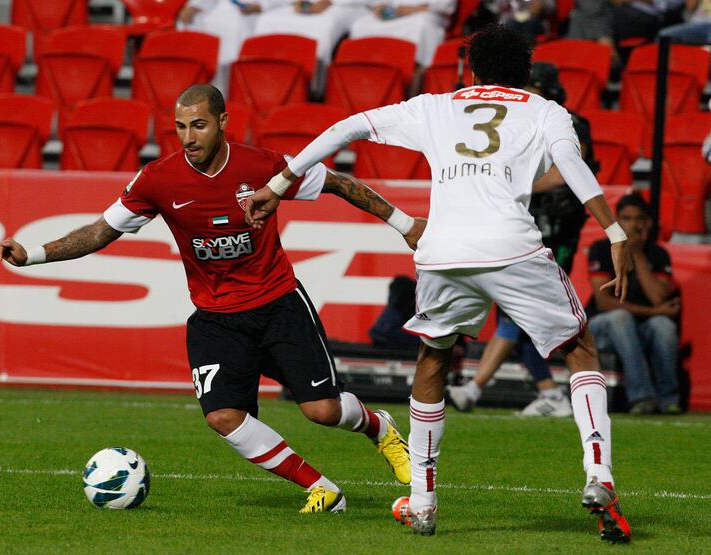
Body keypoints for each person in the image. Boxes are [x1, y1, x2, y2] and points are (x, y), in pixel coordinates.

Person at [246, 24, 632, 542]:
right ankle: (599, 475)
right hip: (510, 244)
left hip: (443, 251)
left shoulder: (434, 106)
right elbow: (571, 163)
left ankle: (424, 502)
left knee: (434, 358)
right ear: (527, 72)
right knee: (580, 349)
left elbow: (346, 129)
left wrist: (277, 183)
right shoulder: (545, 111)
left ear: (472, 69)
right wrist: (614, 229)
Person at [0, 84, 414, 513]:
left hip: (278, 305)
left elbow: (339, 184)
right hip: (215, 316)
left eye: (198, 125)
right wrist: (33, 255)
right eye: (179, 127)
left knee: (322, 411)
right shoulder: (158, 179)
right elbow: (102, 230)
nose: (188, 137)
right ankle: (321, 488)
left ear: (223, 123)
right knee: (223, 417)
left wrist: (404, 223)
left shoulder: (265, 166)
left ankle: (380, 429)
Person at [447, 62, 596, 418]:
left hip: (557, 228)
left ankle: (475, 387)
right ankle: (549, 392)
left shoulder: (567, 120)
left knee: (522, 309)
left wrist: (513, 186)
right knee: (516, 309)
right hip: (519, 223)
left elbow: (568, 171)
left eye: (533, 90)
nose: (526, 96)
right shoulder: (514, 120)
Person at [587, 193, 681, 415]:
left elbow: (658, 297)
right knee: (621, 318)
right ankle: (642, 397)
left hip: (640, 328)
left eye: (639, 219)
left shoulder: (657, 254)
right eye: (626, 219)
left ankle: (669, 399)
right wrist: (654, 311)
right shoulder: (601, 248)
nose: (633, 225)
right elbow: (604, 302)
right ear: (617, 221)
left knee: (663, 326)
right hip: (602, 327)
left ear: (647, 222)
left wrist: (636, 253)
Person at [177, 0, 266, 94]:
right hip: (214, 28)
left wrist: (260, 6)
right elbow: (188, 14)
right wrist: (195, 6)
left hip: (246, 25)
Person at [348, 0, 456, 66]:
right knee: (360, 25)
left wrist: (413, 9)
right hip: (396, 12)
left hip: (428, 13)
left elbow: (446, 5)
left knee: (422, 26)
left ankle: (416, 76)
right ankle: (370, 69)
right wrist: (380, 6)